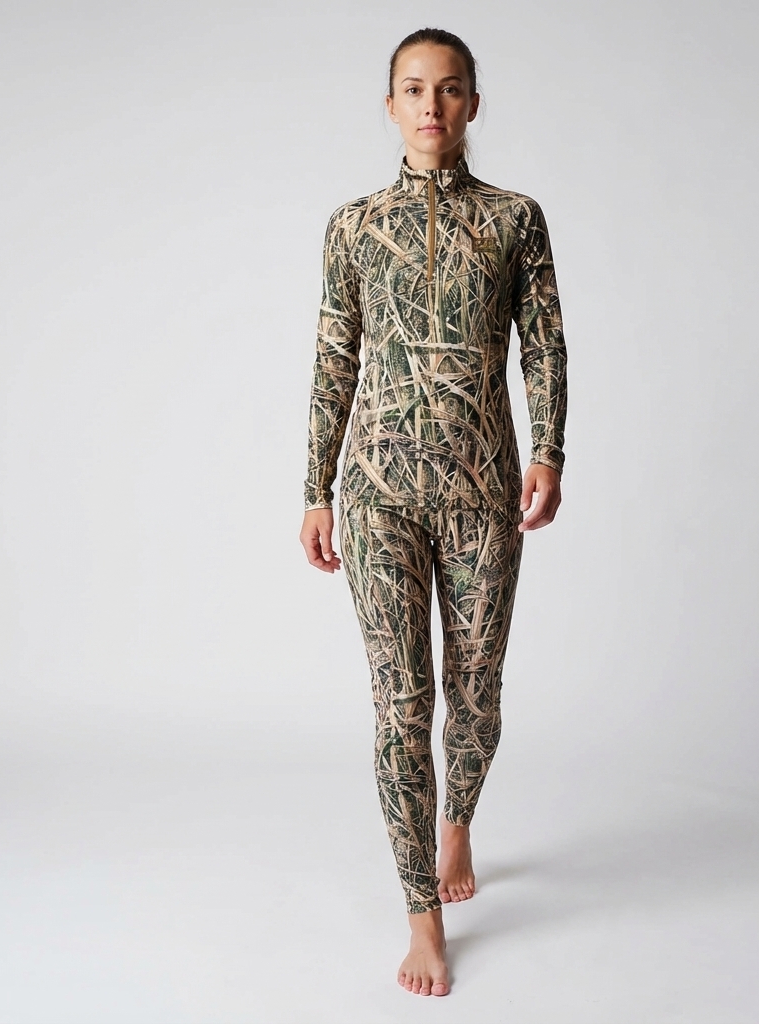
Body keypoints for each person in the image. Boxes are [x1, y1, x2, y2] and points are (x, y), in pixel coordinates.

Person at [299, 27, 568, 997]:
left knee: (476, 691)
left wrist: (549, 451)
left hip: (482, 490)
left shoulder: (514, 220)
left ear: (472, 106)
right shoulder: (353, 227)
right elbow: (334, 357)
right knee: (401, 703)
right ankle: (423, 914)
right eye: (413, 89)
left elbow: (544, 344)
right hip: (379, 494)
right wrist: (316, 488)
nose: (431, 105)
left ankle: (458, 824)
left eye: (449, 89)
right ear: (389, 106)